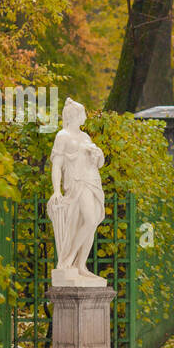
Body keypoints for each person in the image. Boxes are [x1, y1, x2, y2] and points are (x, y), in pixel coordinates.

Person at [48, 98, 107, 286]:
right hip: (76, 183)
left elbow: (95, 162)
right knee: (89, 220)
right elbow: (56, 166)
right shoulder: (62, 136)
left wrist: (97, 155)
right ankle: (68, 261)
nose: (85, 117)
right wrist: (56, 190)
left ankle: (81, 265)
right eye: (83, 114)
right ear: (75, 116)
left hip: (91, 181)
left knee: (92, 221)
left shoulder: (85, 137)